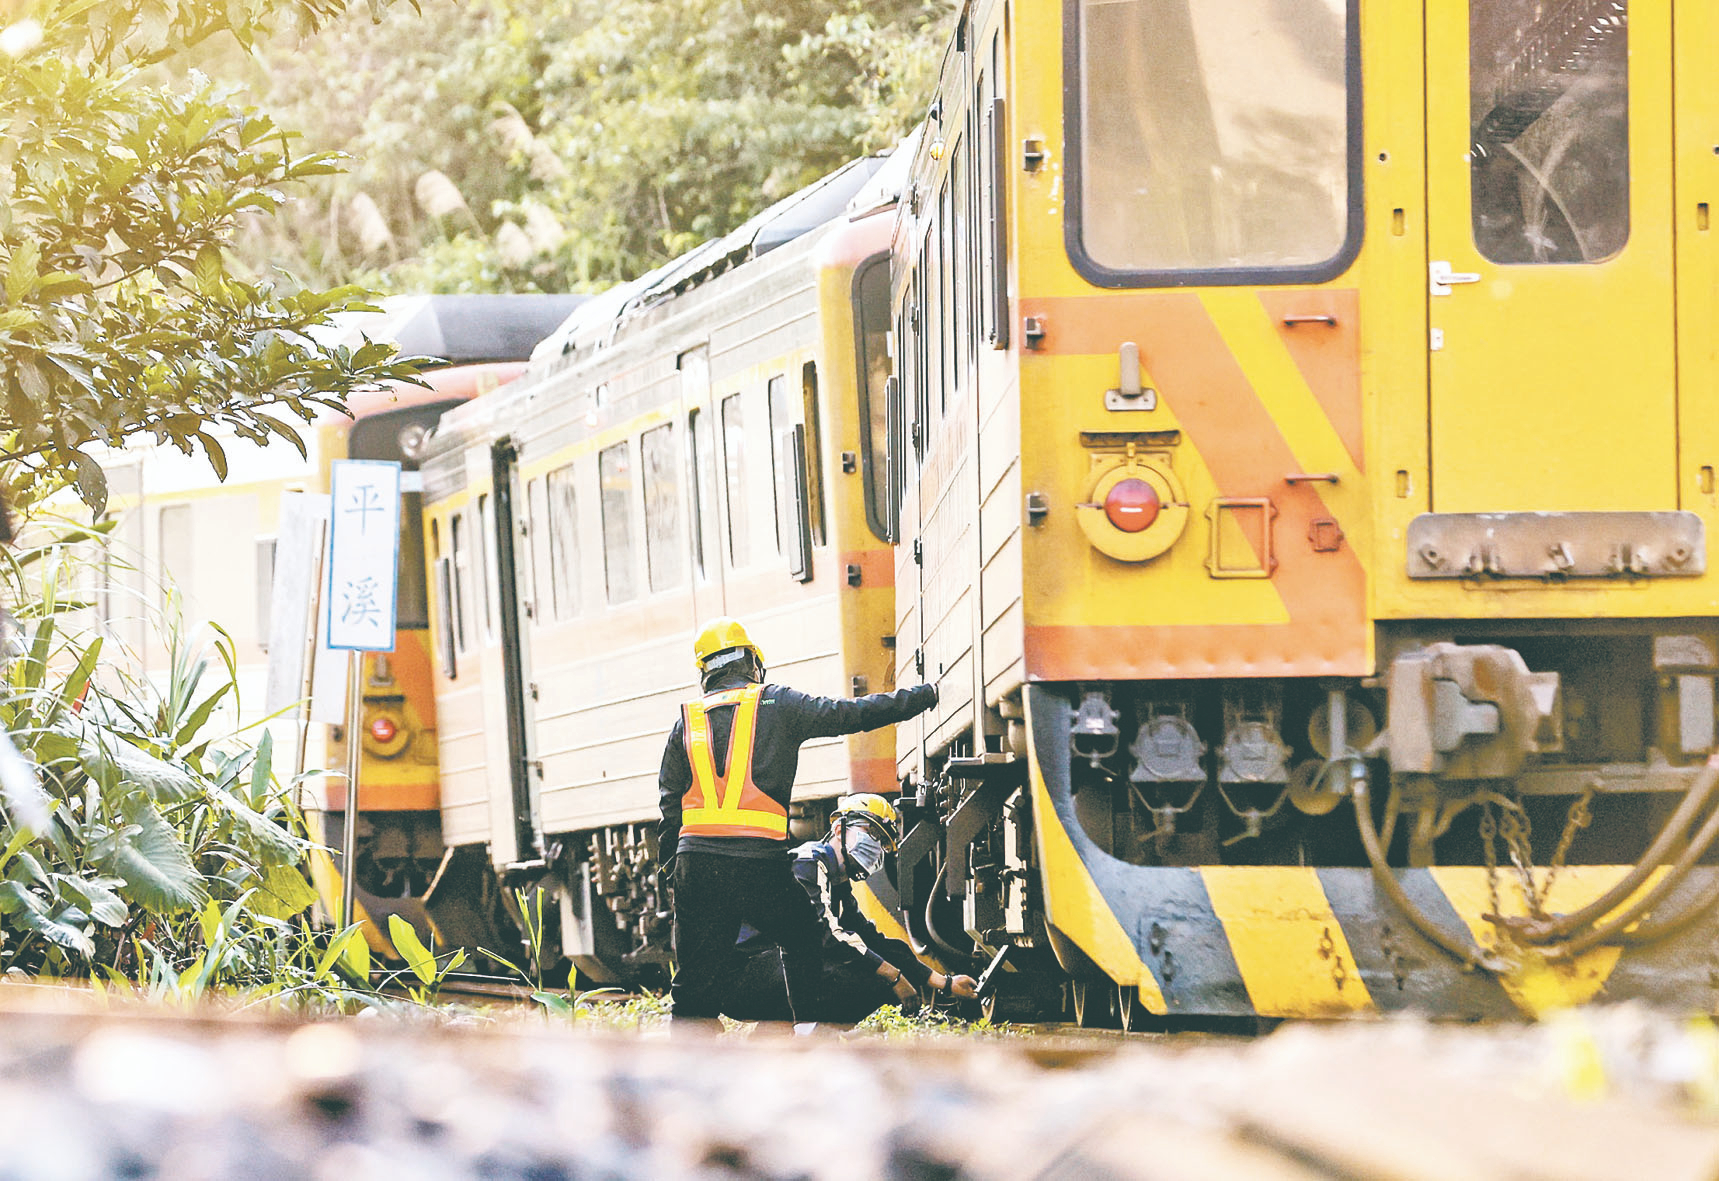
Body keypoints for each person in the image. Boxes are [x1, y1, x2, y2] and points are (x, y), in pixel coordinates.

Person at [657, 617, 938, 1029]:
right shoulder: (776, 702)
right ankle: (807, 1032)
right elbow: (851, 715)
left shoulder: (687, 720)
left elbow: (670, 805)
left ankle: (688, 1059)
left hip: (696, 863)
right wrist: (923, 697)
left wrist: (672, 871)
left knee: (692, 980)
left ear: (705, 672)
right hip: (758, 862)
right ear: (753, 663)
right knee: (802, 938)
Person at [725, 793, 980, 1024]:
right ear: (839, 828)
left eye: (882, 842)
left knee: (875, 970)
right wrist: (893, 976)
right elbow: (824, 935)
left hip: (770, 971)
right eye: (871, 833)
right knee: (870, 980)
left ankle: (778, 1039)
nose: (876, 846)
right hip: (743, 975)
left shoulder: (838, 885)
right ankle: (799, 1040)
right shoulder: (808, 863)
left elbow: (870, 938)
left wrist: (945, 983)